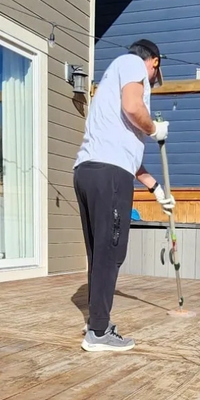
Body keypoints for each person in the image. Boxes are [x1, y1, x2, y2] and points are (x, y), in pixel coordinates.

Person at [73, 39, 176, 352]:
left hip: (88, 170)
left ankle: (97, 322)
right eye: (153, 81)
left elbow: (126, 154)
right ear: (153, 62)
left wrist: (156, 188)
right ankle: (99, 332)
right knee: (112, 252)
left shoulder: (110, 81)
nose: (150, 86)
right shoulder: (132, 64)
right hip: (109, 175)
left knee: (99, 251)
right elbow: (134, 107)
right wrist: (153, 129)